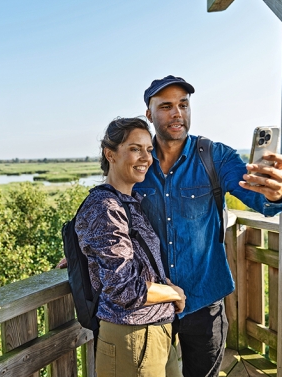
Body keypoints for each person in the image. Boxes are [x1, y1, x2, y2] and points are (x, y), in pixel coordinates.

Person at [133, 75, 282, 377]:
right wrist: (84, 243)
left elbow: (262, 201)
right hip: (151, 302)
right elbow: (109, 202)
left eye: (183, 104)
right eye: (166, 106)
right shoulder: (137, 159)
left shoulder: (215, 156)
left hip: (204, 299)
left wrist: (277, 191)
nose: (177, 113)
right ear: (149, 114)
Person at [75, 117, 186, 377]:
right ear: (110, 154)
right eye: (135, 149)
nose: (146, 158)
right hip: (133, 337)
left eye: (148, 150)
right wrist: (174, 294)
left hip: (156, 330)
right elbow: (124, 289)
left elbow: (125, 259)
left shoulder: (128, 202)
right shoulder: (106, 207)